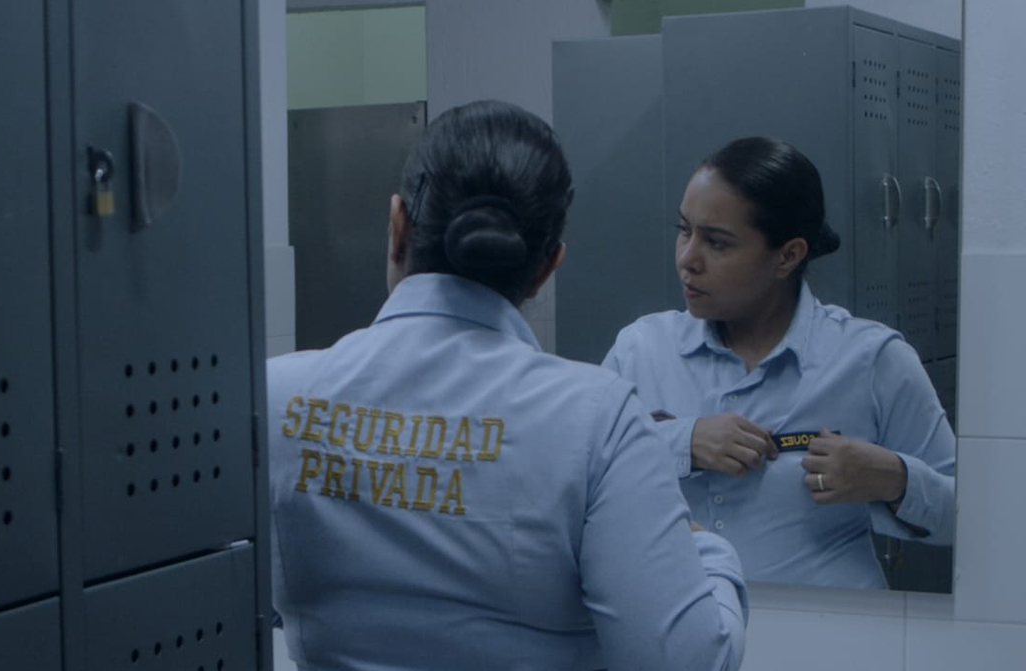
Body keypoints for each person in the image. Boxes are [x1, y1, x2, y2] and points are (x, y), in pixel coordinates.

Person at [266, 100, 747, 670]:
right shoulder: (597, 420)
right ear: (547, 267)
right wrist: (704, 550)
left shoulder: (276, 394)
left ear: (397, 226)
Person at [602, 137, 956, 589]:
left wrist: (896, 480)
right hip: (682, 623)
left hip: (832, 626)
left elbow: (971, 518)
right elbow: (576, 480)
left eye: (717, 242)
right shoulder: (641, 350)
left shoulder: (871, 360)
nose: (688, 259)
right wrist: (681, 442)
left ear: (788, 255)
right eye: (684, 230)